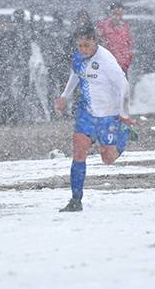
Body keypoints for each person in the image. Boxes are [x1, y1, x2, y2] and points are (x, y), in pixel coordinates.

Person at [54, 24, 135, 212]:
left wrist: (123, 115)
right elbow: (75, 74)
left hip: (108, 114)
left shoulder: (106, 60)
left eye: (86, 45)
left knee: (108, 159)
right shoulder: (79, 57)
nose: (82, 49)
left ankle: (124, 132)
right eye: (79, 45)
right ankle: (76, 200)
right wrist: (64, 96)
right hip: (87, 112)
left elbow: (124, 86)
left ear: (95, 41)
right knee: (79, 150)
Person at [95, 1, 134, 74]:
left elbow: (129, 45)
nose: (117, 15)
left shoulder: (126, 26)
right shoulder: (103, 26)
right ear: (110, 13)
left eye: (120, 13)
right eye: (115, 13)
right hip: (107, 65)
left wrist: (127, 61)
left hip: (123, 66)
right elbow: (98, 43)